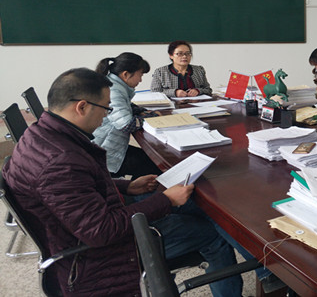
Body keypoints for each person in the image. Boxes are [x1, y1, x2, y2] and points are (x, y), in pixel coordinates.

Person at [2, 68, 242, 296]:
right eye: (105, 108)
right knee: (211, 232)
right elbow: (101, 231)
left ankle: (259, 268)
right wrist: (165, 201)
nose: (106, 115)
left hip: (83, 224)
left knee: (194, 204)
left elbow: (77, 188)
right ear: (81, 107)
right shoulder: (60, 162)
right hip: (96, 254)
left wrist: (127, 186)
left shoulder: (40, 134)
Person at [93, 52, 162, 179]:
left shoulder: (114, 85)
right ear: (125, 74)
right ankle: (137, 190)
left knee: (150, 159)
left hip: (109, 146)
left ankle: (136, 188)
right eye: (140, 75)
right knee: (157, 164)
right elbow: (126, 125)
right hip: (106, 152)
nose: (141, 80)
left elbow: (126, 106)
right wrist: (150, 118)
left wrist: (142, 111)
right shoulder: (113, 90)